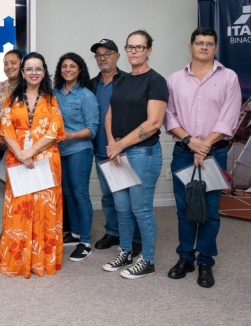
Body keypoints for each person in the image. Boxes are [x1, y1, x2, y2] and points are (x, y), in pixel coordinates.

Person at [164, 27, 240, 288]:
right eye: (199, 43)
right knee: (185, 209)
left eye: (209, 43)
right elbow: (168, 115)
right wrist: (190, 142)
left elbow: (228, 117)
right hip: (183, 152)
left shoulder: (229, 77)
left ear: (216, 48)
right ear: (190, 47)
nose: (204, 47)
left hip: (215, 153)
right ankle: (185, 257)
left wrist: (204, 146)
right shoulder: (174, 79)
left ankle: (206, 261)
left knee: (209, 210)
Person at [103, 30, 168, 279]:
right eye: (130, 47)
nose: (134, 51)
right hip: (118, 152)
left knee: (141, 209)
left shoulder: (156, 81)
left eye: (139, 47)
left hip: (143, 153)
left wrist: (120, 145)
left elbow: (154, 123)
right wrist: (112, 143)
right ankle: (126, 251)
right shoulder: (122, 80)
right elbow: (110, 114)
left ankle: (148, 260)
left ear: (149, 50)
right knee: (122, 208)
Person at [0, 51, 65, 278]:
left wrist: (32, 151)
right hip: (17, 158)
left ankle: (40, 261)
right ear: (23, 73)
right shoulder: (11, 99)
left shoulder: (51, 99)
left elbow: (55, 130)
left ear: (44, 72)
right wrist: (22, 154)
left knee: (44, 211)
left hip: (46, 159)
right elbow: (5, 129)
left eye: (38, 69)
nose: (34, 73)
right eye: (29, 69)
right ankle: (18, 260)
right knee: (20, 209)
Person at [88, 39, 142, 257]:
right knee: (108, 196)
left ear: (118, 56)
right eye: (99, 54)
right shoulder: (91, 85)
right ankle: (113, 232)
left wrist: (121, 144)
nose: (103, 58)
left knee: (132, 197)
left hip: (126, 148)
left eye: (108, 53)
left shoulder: (130, 81)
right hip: (101, 149)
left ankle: (135, 237)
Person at [54, 52, 99, 262]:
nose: (68, 70)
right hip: (60, 151)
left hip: (79, 149)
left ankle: (86, 242)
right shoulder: (55, 93)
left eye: (72, 66)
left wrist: (70, 135)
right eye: (64, 66)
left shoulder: (86, 96)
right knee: (67, 193)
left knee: (80, 193)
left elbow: (92, 129)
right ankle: (75, 233)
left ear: (80, 69)